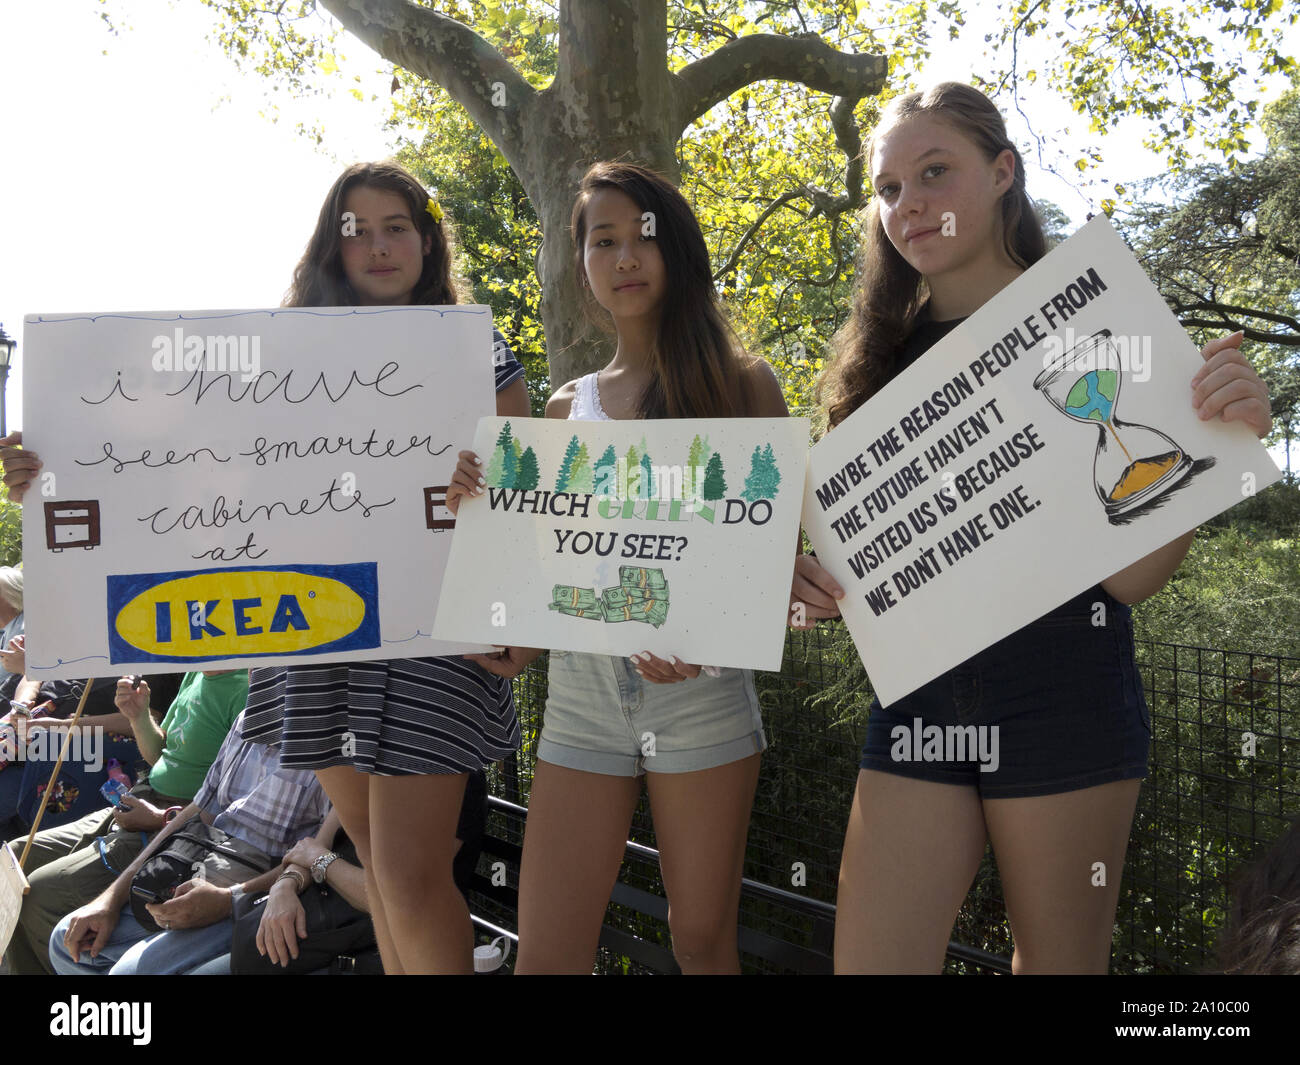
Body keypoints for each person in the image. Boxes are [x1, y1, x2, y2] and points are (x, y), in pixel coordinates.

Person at [791, 82, 1274, 974]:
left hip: (1067, 695)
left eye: (936, 172)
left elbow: (1129, 581)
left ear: (1003, 172)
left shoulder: (1101, 320)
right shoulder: (872, 371)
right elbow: (847, 568)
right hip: (919, 703)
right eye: (890, 188)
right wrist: (803, 577)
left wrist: (1214, 438)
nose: (912, 205)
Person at [446, 162, 788, 974]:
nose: (625, 256)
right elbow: (542, 570)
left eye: (644, 236)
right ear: (583, 265)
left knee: (702, 941)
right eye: (603, 240)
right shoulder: (565, 407)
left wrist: (705, 635)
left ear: (680, 252)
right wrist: (477, 503)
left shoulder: (743, 384)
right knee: (549, 954)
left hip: (703, 698)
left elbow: (777, 566)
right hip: (581, 700)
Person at [236, 160, 532, 975]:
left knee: (408, 872)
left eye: (396, 224)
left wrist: (487, 492)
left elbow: (525, 484)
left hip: (437, 630)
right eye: (354, 229)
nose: (376, 244)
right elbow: (212, 470)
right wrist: (61, 471)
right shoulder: (280, 354)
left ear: (428, 237)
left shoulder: (477, 344)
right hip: (320, 624)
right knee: (383, 866)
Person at [49, 710, 330, 975]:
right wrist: (110, 899)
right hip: (193, 859)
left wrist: (228, 899)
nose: (254, 673)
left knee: (130, 972)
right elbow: (198, 810)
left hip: (258, 892)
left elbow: (318, 854)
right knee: (65, 940)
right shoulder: (247, 718)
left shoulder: (330, 740)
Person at [2, 670, 246, 974]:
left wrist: (160, 818)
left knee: (41, 892)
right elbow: (160, 755)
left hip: (177, 826)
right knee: (16, 857)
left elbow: (236, 803)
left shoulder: (244, 690)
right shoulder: (197, 673)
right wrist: (138, 717)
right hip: (139, 800)